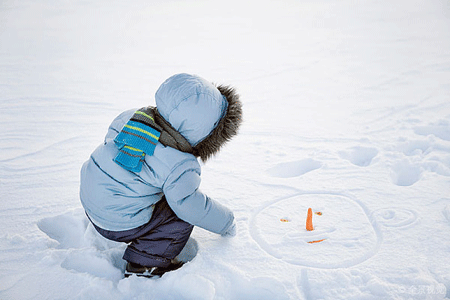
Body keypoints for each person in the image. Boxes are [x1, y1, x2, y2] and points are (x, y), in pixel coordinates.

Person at [79, 73, 242, 277]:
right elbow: (190, 206)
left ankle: (127, 216)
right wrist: (226, 221)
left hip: (91, 200)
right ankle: (145, 264)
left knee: (156, 188)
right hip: (117, 221)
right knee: (179, 217)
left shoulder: (133, 118)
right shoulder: (179, 163)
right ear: (208, 136)